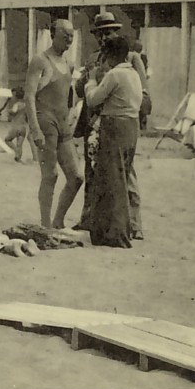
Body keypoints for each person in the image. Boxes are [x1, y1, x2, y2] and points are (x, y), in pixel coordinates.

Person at [74, 12, 145, 232]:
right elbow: (80, 91)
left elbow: (142, 92)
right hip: (94, 120)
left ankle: (133, 223)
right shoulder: (92, 59)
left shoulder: (131, 59)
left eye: (108, 33)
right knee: (92, 171)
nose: (104, 38)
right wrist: (86, 78)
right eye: (100, 34)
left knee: (125, 173)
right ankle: (89, 218)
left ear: (116, 32)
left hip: (119, 121)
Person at [25, 19, 82, 229]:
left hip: (62, 124)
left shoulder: (69, 63)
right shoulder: (40, 61)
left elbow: (68, 96)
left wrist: (71, 119)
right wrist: (35, 129)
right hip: (45, 122)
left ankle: (58, 219)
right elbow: (29, 96)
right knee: (50, 175)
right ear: (53, 34)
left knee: (76, 177)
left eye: (71, 36)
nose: (69, 39)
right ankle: (45, 223)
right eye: (65, 35)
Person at [2, 87, 36, 163]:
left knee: (7, 140)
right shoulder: (26, 105)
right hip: (23, 127)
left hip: (16, 126)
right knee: (19, 144)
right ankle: (18, 158)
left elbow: (14, 111)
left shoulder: (17, 104)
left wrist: (9, 111)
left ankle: (16, 150)